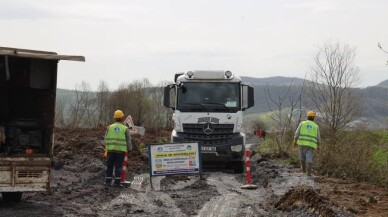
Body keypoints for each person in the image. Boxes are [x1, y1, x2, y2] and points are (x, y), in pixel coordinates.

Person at [104, 110, 132, 187]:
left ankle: (107, 181)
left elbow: (105, 139)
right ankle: (117, 182)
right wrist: (129, 149)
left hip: (110, 150)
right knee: (118, 167)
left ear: (115, 118)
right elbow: (128, 140)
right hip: (120, 151)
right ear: (122, 117)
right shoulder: (125, 128)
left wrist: (106, 148)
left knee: (109, 166)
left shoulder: (109, 127)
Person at [293, 111, 320, 177]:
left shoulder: (302, 123)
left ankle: (303, 172)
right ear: (314, 117)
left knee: (302, 157)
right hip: (311, 145)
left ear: (307, 117)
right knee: (309, 158)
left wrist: (295, 141)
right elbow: (318, 137)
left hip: (301, 144)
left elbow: (296, 134)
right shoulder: (316, 126)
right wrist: (318, 146)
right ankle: (308, 174)